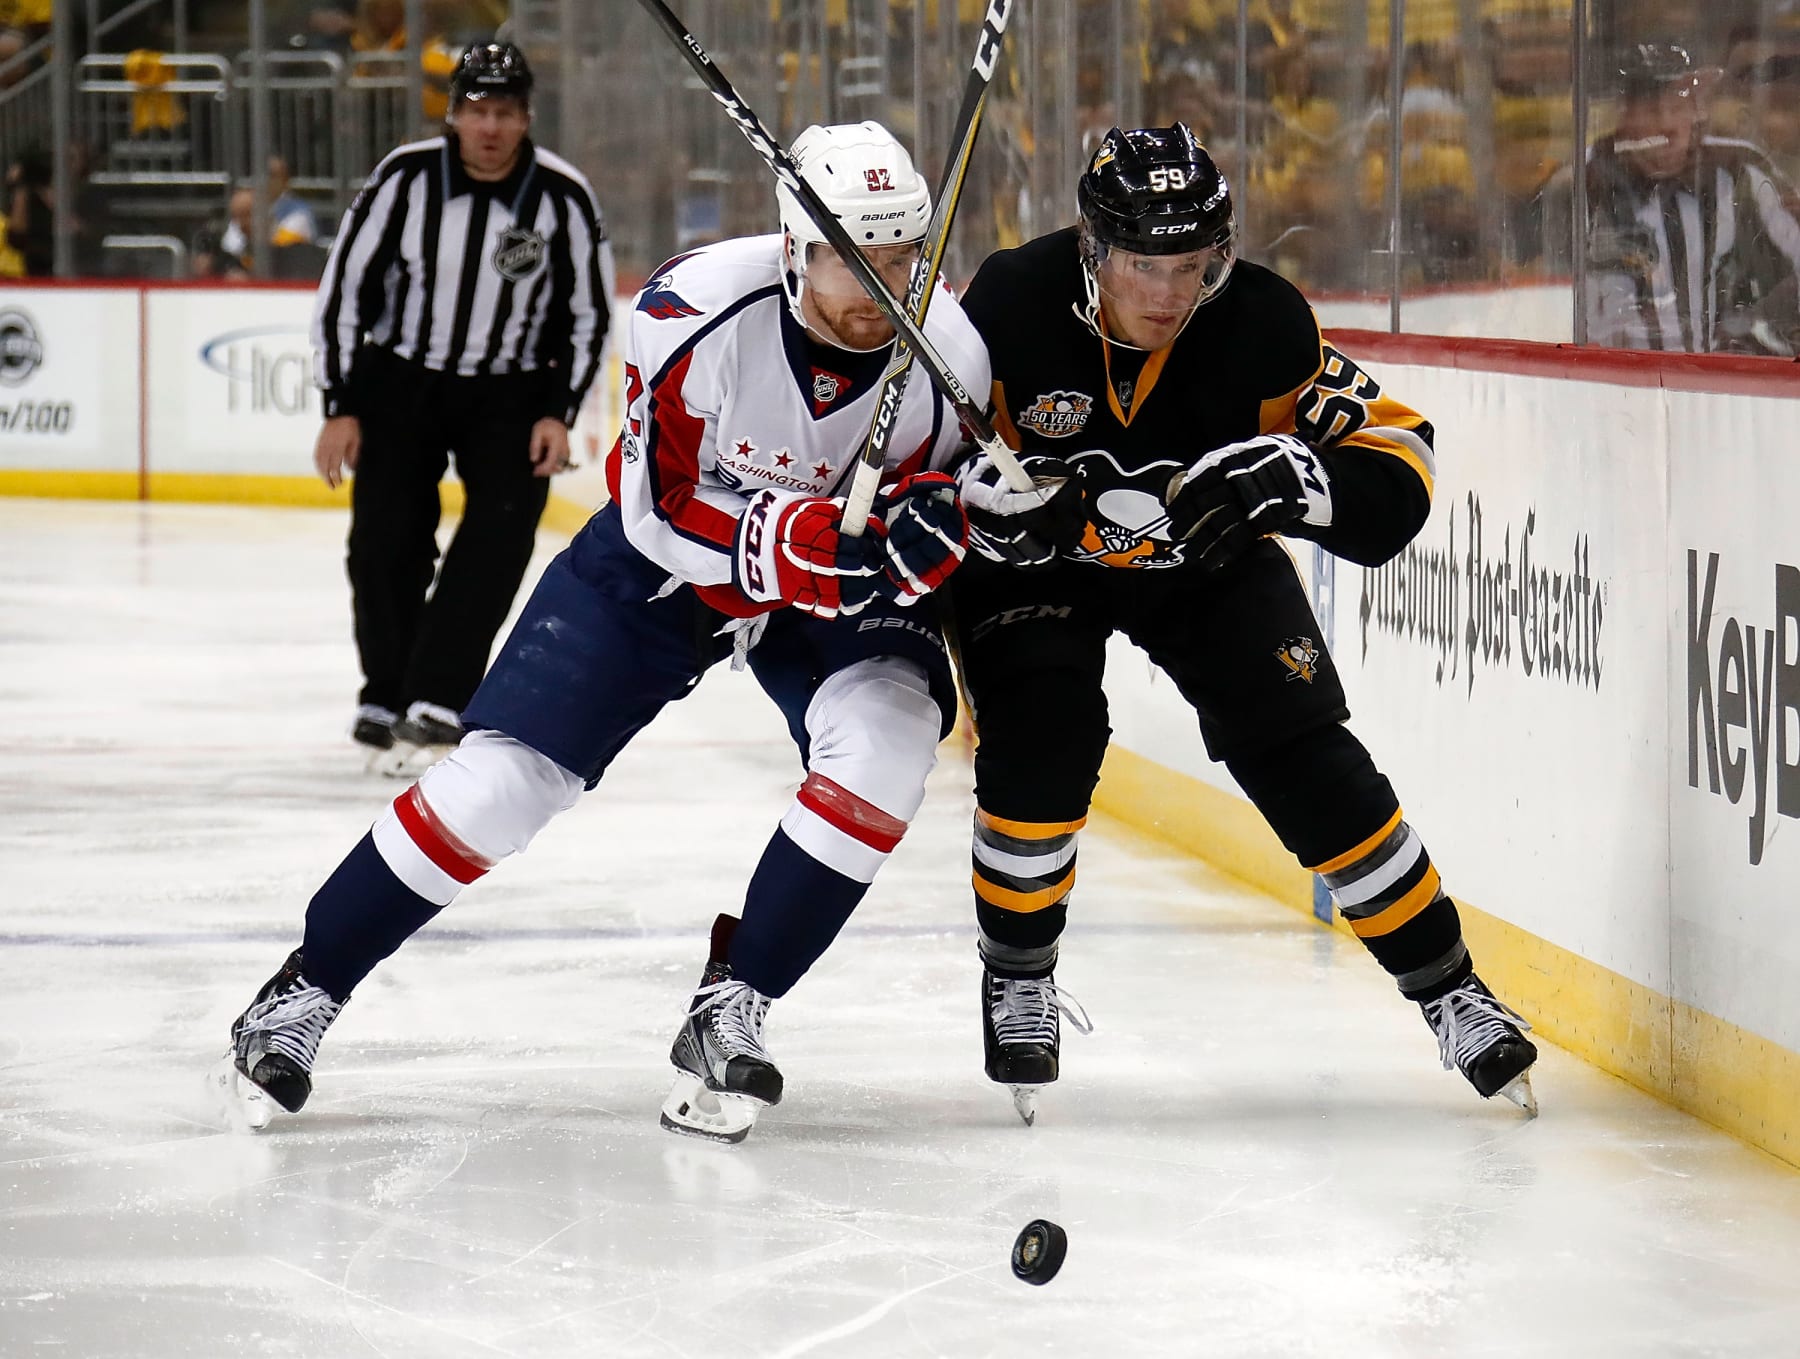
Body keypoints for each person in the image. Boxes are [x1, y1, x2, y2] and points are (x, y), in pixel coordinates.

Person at [213, 120, 983, 1144]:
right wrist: (789, 540)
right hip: (670, 566)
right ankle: (305, 990)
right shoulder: (693, 310)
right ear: (796, 246)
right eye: (854, 258)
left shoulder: (952, 354)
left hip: (827, 585)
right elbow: (656, 508)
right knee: (501, 784)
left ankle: (734, 1004)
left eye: (901, 257)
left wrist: (950, 522)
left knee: (890, 742)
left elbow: (949, 500)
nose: (882, 287)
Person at [947, 123, 1539, 1125]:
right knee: (1043, 736)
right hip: (1043, 568)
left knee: (1308, 757)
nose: (1170, 292)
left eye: (1193, 264)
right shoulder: (1007, 302)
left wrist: (1305, 481)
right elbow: (912, 455)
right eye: (1145, 264)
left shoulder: (1266, 323)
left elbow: (1402, 454)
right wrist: (981, 502)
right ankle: (1017, 973)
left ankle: (1452, 990)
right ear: (1094, 247)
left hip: (1205, 566)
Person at [309, 41, 614, 772]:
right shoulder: (404, 179)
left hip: (511, 393)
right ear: (451, 114)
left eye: (505, 111)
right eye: (477, 110)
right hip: (401, 383)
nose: (490, 127)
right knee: (383, 542)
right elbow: (344, 291)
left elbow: (589, 314)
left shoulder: (562, 196)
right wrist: (340, 405)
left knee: (500, 539)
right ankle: (386, 690)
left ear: (526, 117)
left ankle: (440, 693)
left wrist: (559, 413)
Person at [1584, 41, 1800, 354]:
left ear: (1697, 111)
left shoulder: (1737, 173)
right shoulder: (1586, 181)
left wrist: (1749, 331)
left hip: (1713, 378)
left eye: (1678, 107)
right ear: (1624, 116)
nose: (1668, 126)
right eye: (1651, 110)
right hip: (1606, 379)